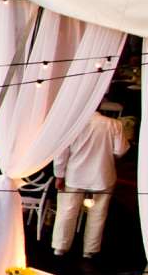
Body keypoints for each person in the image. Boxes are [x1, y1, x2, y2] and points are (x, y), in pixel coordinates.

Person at [52, 106, 129, 260]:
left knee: (67, 211)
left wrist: (59, 174)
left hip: (75, 174)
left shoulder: (73, 124)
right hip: (102, 174)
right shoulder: (114, 124)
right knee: (98, 213)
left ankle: (60, 247)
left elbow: (61, 153)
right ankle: (90, 250)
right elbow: (120, 151)